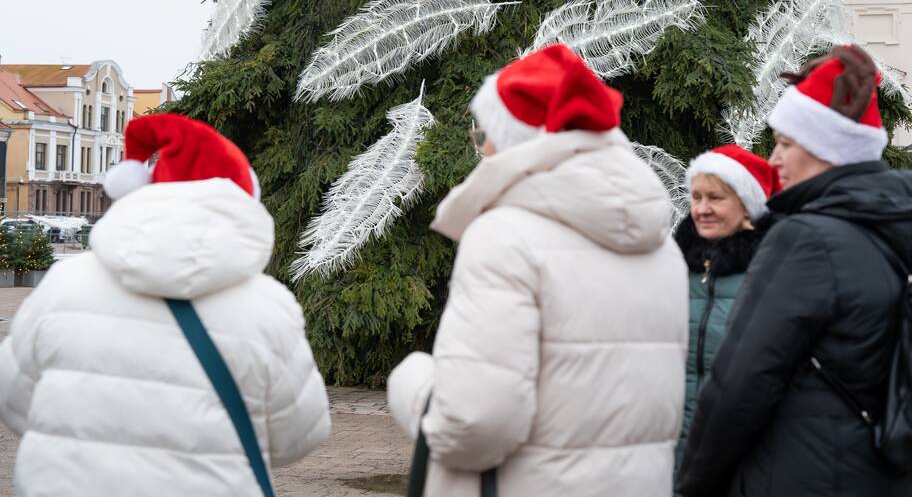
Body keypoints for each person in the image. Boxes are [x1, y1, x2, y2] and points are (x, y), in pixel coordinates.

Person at [388, 44, 688, 496]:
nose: (481, 147)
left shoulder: (504, 237)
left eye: (485, 133)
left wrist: (413, 388)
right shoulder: (662, 248)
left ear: (516, 142)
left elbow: (473, 423)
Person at [677, 46, 912, 497]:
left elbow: (739, 384)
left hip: (805, 474)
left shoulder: (806, 239)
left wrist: (692, 483)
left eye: (786, 144)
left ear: (825, 149)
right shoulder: (890, 233)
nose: (774, 160)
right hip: (881, 472)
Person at [0, 114, 331, 497]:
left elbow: (12, 396)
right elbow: (299, 435)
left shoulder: (66, 283)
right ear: (243, 202)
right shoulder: (268, 307)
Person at [674, 146, 779, 472]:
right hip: (677, 443)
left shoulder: (773, 269)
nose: (702, 209)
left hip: (744, 452)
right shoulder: (676, 265)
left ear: (747, 205)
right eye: (696, 197)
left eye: (715, 198)